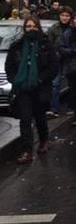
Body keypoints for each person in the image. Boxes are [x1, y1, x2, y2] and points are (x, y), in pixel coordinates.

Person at [5, 17, 59, 164]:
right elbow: (9, 66)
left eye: (33, 26)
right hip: (23, 89)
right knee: (25, 119)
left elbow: (54, 66)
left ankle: (43, 141)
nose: (31, 29)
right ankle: (27, 151)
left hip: (40, 87)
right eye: (28, 26)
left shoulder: (45, 45)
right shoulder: (17, 46)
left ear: (38, 27)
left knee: (40, 118)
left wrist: (40, 79)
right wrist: (15, 80)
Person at [46, 6, 73, 117]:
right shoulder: (54, 28)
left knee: (71, 83)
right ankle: (54, 108)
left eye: (67, 16)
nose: (65, 18)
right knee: (55, 84)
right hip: (56, 59)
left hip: (69, 59)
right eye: (62, 15)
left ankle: (71, 107)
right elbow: (49, 44)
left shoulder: (72, 28)